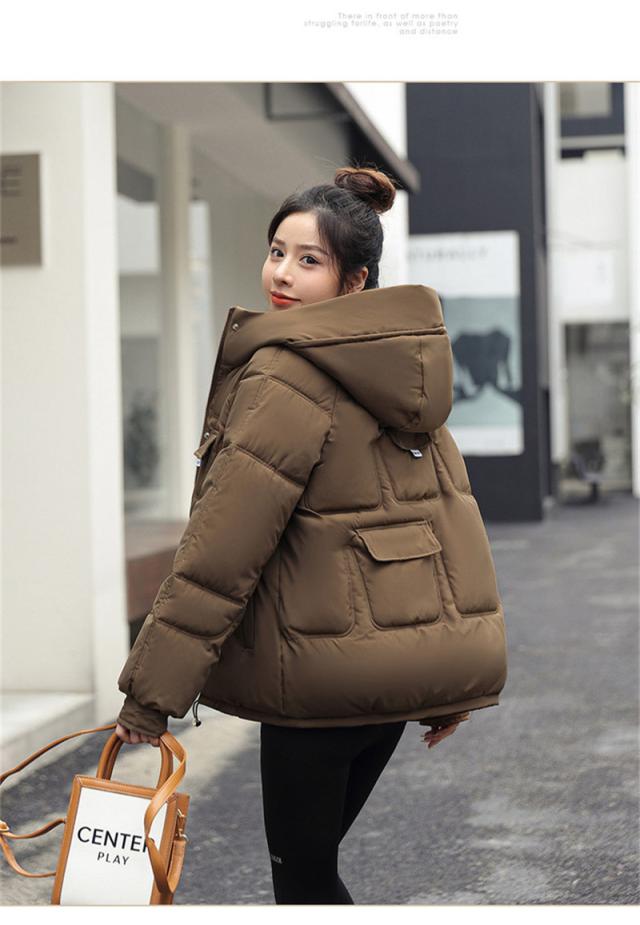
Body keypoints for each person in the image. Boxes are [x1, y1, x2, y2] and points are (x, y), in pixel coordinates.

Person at [115, 165, 506, 904]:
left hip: (318, 685)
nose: (282, 274)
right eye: (277, 252)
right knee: (312, 877)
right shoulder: (406, 372)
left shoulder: (286, 374)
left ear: (353, 281)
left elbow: (221, 551)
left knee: (303, 885)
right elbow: (441, 530)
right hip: (386, 692)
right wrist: (444, 677)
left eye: (309, 260)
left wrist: (150, 696)